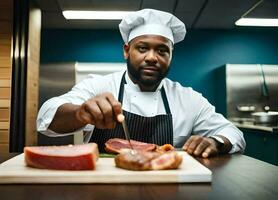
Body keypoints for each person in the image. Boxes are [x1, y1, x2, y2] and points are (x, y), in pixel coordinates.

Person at [37, 9, 246, 157]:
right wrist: (80, 113)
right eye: (143, 48)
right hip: (101, 186)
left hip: (164, 187)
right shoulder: (99, 86)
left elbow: (234, 134)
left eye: (162, 50)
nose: (152, 57)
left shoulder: (188, 98)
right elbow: (46, 118)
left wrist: (215, 142)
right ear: (127, 51)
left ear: (171, 55)